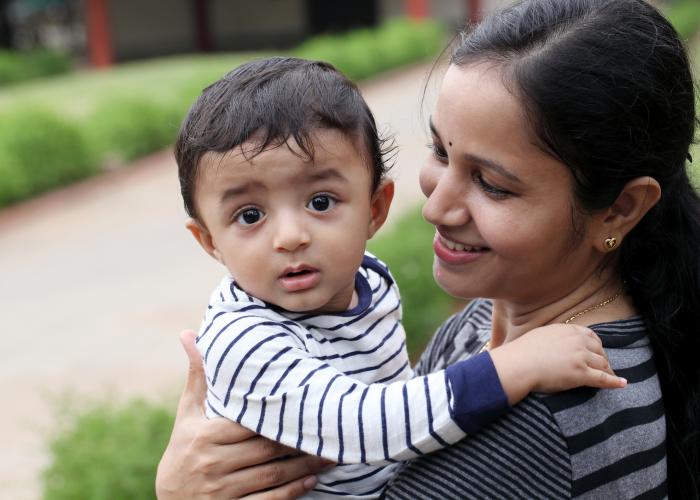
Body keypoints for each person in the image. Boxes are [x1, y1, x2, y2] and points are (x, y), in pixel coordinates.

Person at [157, 0, 700, 497]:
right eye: (440, 150)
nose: (437, 208)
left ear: (620, 209)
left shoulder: (553, 408)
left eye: (493, 184)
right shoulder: (484, 321)